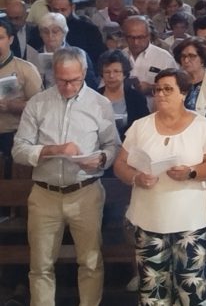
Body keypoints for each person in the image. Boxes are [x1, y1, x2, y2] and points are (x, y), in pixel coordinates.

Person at [12, 47, 120, 306]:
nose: (68, 86)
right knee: (40, 264)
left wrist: (102, 159)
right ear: (53, 75)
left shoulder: (100, 104)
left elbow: (112, 146)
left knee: (91, 262)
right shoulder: (38, 103)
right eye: (61, 80)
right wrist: (54, 150)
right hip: (45, 193)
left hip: (86, 190)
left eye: (74, 80)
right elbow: (19, 149)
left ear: (84, 73)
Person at [112, 68, 206, 305]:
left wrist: (191, 172)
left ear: (183, 93)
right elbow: (120, 164)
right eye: (157, 89)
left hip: (190, 221)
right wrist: (136, 178)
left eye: (168, 89)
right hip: (149, 219)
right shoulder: (140, 127)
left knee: (191, 287)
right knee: (152, 289)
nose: (161, 94)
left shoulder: (202, 126)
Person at [0, 17, 43, 174]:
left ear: (10, 40)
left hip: (12, 137)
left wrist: (14, 106)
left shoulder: (26, 69)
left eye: (0, 38)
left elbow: (41, 107)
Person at [96, 49, 150, 141]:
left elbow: (144, 128)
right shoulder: (94, 97)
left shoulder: (137, 98)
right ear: (102, 74)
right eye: (107, 72)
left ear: (124, 74)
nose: (111, 76)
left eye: (116, 71)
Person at [173, 37, 206, 114]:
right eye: (183, 56)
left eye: (191, 56)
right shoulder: (173, 81)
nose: (186, 60)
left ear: (203, 58)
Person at [123, 15, 175, 93]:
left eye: (140, 37)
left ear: (149, 36)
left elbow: (175, 88)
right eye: (131, 37)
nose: (135, 42)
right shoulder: (120, 56)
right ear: (125, 37)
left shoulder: (164, 58)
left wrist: (152, 88)